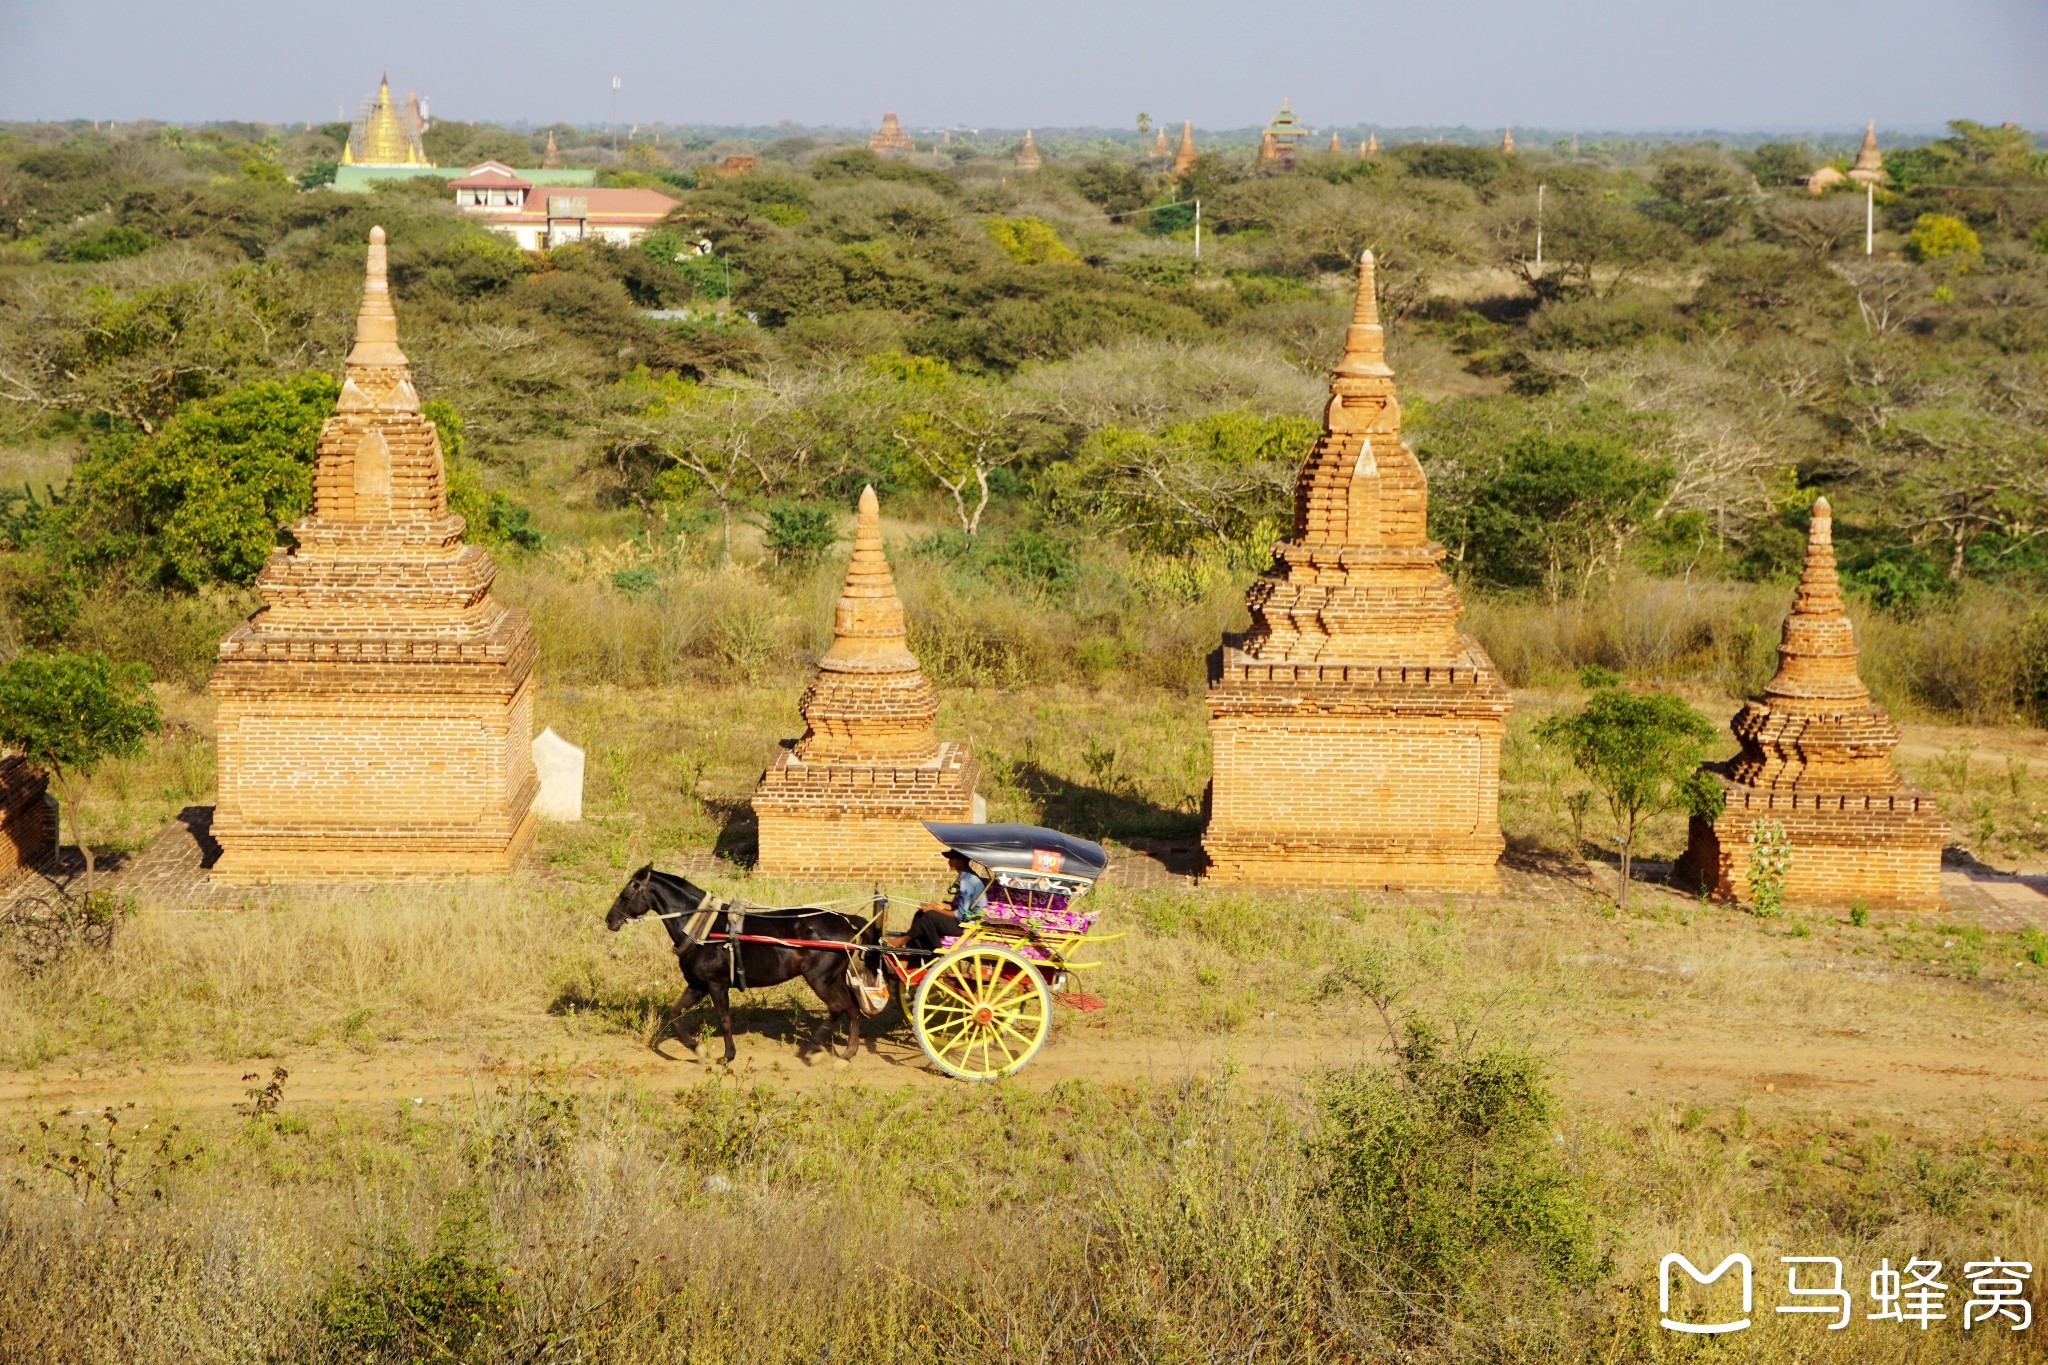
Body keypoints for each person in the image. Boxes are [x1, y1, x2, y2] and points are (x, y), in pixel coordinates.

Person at [885, 850, 987, 956]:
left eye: (952, 859)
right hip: (965, 919)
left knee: (929, 916)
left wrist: (934, 909)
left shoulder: (967, 881)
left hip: (967, 925)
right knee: (920, 914)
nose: (949, 862)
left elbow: (961, 916)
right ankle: (912, 956)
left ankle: (903, 940)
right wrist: (944, 906)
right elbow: (965, 905)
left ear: (961, 861)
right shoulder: (966, 877)